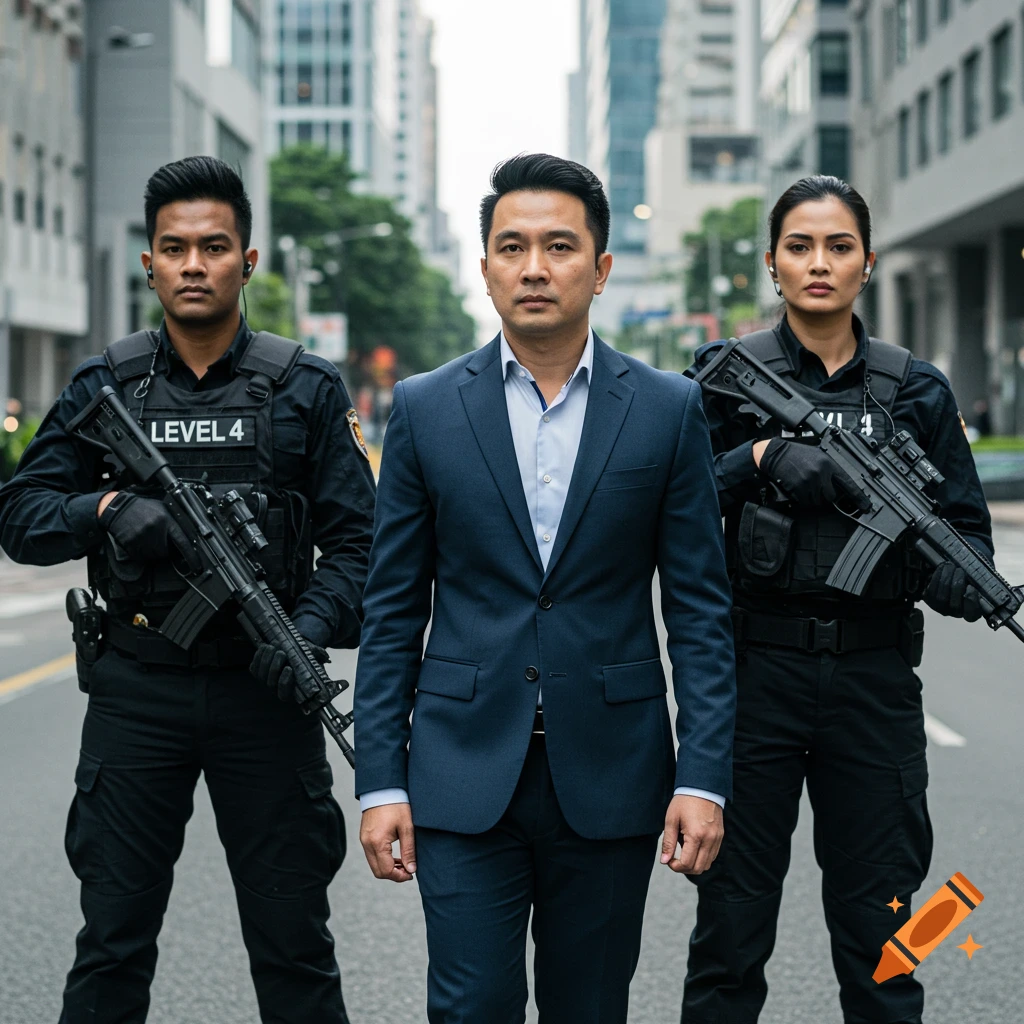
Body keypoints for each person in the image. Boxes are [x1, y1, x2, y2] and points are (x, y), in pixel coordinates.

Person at [353, 153, 737, 1023]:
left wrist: (703, 776)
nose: (534, 267)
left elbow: (701, 614)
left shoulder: (670, 409)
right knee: (471, 1005)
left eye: (559, 246)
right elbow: (391, 611)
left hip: (613, 771)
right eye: (512, 246)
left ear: (600, 269)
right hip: (457, 771)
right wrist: (380, 781)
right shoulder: (422, 409)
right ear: (484, 267)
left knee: (590, 1006)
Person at [0, 156, 375, 1024]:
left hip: (267, 696)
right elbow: (18, 513)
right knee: (112, 947)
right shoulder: (108, 385)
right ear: (151, 264)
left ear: (248, 260)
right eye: (175, 249)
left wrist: (306, 630)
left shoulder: (304, 388)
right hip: (138, 692)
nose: (194, 264)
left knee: (295, 951)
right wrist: (104, 507)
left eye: (214, 246)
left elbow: (364, 548)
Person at [680, 175, 993, 1024]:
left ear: (867, 264)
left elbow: (967, 537)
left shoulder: (916, 389)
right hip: (754, 679)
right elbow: (664, 518)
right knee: (729, 938)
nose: (820, 263)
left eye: (840, 246)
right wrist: (757, 461)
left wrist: (952, 576)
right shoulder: (723, 377)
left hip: (876, 682)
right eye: (800, 246)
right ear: (775, 265)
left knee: (892, 938)